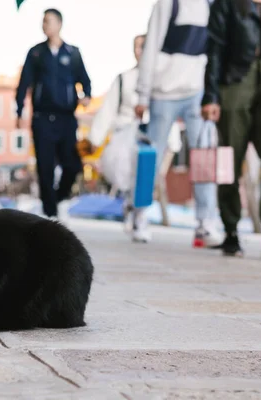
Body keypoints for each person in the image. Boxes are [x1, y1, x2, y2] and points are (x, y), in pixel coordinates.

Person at [201, 0, 261, 257]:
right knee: (229, 162)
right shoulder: (227, 4)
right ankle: (231, 230)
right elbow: (215, 49)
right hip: (234, 81)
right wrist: (211, 96)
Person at [134, 0, 223, 246]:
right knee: (152, 157)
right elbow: (151, 45)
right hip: (164, 92)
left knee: (204, 157)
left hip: (197, 92)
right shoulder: (167, 3)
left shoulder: (210, 4)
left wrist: (212, 95)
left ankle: (205, 223)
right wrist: (143, 93)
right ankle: (139, 215)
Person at [87, 35, 181, 242]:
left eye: (144, 47)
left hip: (150, 137)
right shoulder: (124, 79)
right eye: (137, 47)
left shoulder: (161, 80)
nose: (140, 51)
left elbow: (166, 112)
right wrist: (95, 137)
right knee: (127, 175)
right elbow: (108, 109)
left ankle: (140, 216)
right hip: (124, 136)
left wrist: (172, 141)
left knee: (145, 176)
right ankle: (131, 205)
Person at [15, 8, 92, 221]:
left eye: (48, 21)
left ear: (59, 24)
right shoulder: (36, 53)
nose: (44, 25)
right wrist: (19, 110)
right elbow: (24, 83)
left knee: (72, 165)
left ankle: (58, 199)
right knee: (45, 167)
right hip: (42, 118)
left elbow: (85, 80)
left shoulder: (73, 53)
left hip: (67, 119)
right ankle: (50, 214)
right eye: (43, 22)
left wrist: (87, 95)